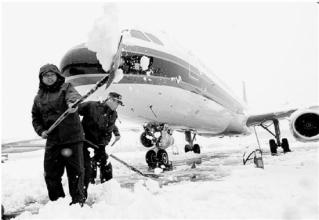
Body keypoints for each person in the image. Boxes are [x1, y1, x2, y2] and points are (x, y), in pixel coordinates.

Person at [31, 64, 86, 206]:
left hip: (72, 137)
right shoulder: (39, 98)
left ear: (57, 76)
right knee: (51, 174)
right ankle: (57, 203)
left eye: (52, 75)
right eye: (45, 76)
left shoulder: (66, 87)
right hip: (53, 140)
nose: (49, 78)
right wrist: (41, 131)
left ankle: (77, 203)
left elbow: (73, 96)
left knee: (75, 172)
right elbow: (35, 117)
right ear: (41, 78)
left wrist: (72, 103)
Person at [78, 92, 123, 186]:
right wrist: (76, 129)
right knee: (89, 166)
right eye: (117, 102)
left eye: (119, 103)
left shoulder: (113, 113)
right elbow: (73, 111)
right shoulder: (91, 105)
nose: (118, 105)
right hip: (86, 141)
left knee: (106, 164)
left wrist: (105, 142)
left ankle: (107, 187)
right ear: (110, 100)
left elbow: (110, 125)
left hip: (101, 143)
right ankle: (87, 186)